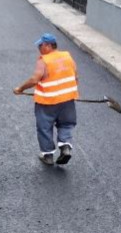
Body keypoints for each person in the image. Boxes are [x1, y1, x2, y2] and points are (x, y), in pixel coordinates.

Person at [13, 33, 79, 166]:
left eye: (41, 45)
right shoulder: (67, 56)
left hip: (47, 102)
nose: (39, 47)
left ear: (48, 46)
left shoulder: (44, 60)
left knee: (44, 127)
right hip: (67, 100)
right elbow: (75, 77)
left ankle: (47, 155)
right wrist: (71, 92)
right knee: (65, 124)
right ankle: (65, 146)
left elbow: (34, 79)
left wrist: (20, 88)